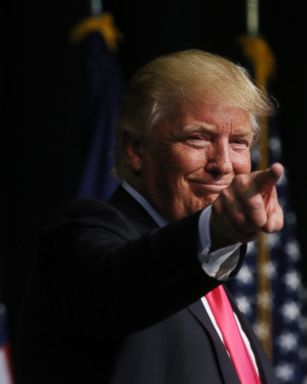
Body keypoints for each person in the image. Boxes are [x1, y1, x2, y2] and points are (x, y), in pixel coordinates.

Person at [16, 49, 283, 383]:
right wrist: (215, 232)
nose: (224, 165)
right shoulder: (80, 237)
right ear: (136, 149)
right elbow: (119, 286)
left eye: (239, 142)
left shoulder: (207, 277)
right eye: (198, 138)